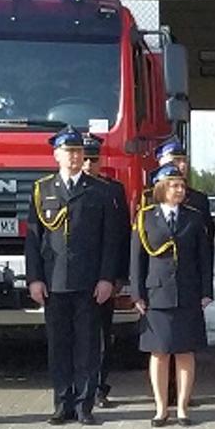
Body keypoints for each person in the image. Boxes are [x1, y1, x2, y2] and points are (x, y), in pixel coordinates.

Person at [26, 129, 127, 426]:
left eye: (77, 152)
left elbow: (111, 240)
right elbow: (34, 239)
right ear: (56, 155)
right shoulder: (42, 189)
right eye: (67, 152)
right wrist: (34, 278)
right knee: (59, 345)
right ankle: (62, 402)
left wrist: (107, 278)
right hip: (54, 281)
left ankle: (85, 404)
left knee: (87, 345)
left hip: (89, 281)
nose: (73, 157)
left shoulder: (100, 190)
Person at [133, 165, 214, 427]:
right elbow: (137, 259)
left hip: (187, 293)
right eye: (174, 185)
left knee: (184, 352)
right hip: (157, 294)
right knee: (159, 352)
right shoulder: (145, 217)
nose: (180, 190)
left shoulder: (193, 217)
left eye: (182, 185)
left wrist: (205, 291)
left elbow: (204, 257)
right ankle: (160, 408)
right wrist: (137, 294)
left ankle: (182, 408)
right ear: (161, 188)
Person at [81, 135, 130, 410]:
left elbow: (121, 234)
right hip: (75, 275)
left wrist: (119, 275)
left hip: (104, 275)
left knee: (101, 335)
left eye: (93, 159)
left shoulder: (113, 190)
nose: (88, 164)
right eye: (85, 159)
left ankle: (100, 386)